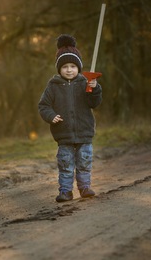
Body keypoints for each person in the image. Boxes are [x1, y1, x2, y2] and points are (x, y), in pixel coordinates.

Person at [38, 34, 102, 202]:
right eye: (65, 66)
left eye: (73, 66)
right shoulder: (53, 86)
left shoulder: (85, 83)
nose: (69, 69)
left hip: (84, 132)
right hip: (64, 134)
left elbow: (94, 103)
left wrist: (94, 88)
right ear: (59, 68)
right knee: (65, 164)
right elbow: (43, 106)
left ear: (78, 68)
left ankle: (84, 187)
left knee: (84, 162)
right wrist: (51, 116)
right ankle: (65, 191)